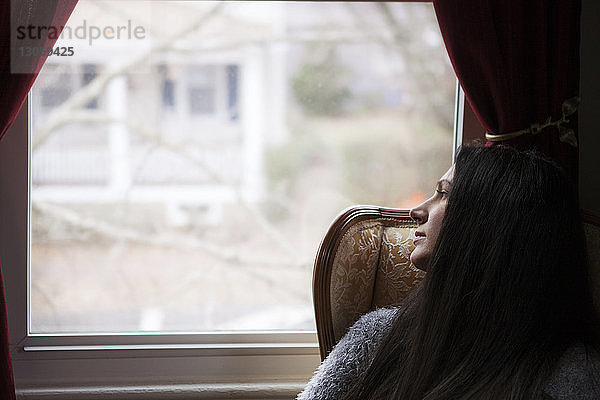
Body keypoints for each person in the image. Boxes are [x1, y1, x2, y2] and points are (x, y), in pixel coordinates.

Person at [297, 145, 600, 400]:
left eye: (443, 194)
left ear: (490, 225)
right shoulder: (375, 336)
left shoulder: (572, 374)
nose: (418, 210)